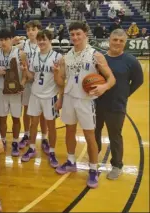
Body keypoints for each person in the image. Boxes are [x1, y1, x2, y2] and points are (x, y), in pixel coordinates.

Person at [53, 21, 116, 188]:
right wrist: (57, 75)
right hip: (69, 98)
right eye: (72, 34)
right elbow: (61, 81)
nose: (75, 37)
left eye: (78, 34)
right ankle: (71, 161)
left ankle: (93, 169)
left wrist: (103, 87)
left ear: (85, 34)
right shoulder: (66, 57)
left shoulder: (96, 55)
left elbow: (111, 79)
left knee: (90, 136)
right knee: (69, 131)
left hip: (86, 101)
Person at [95, 29, 143, 180]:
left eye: (121, 41)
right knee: (94, 132)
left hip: (117, 105)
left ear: (125, 43)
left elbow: (138, 81)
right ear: (109, 40)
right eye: (115, 39)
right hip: (96, 103)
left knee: (114, 136)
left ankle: (117, 165)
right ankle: (94, 159)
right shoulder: (100, 58)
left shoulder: (131, 61)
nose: (117, 43)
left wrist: (125, 94)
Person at [22, 29, 62, 168]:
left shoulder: (57, 57)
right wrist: (25, 70)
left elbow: (62, 81)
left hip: (50, 96)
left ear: (50, 40)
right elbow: (32, 77)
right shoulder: (34, 57)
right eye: (39, 40)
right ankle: (32, 147)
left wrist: (60, 98)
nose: (41, 42)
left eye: (44, 39)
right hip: (35, 94)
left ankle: (52, 151)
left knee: (51, 126)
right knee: (34, 124)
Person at [17, 20, 50, 151]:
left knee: (41, 113)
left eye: (33, 29)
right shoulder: (22, 46)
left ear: (39, 31)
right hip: (28, 81)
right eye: (28, 30)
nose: (31, 32)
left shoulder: (43, 44)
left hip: (41, 83)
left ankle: (44, 137)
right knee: (26, 110)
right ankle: (26, 134)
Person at [0, 29, 28, 156]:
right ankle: (2, 140)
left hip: (15, 92)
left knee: (16, 118)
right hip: (1, 89)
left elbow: (25, 74)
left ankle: (15, 142)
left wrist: (22, 85)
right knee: (2, 118)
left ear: (11, 40)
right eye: (1, 40)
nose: (3, 42)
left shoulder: (20, 53)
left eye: (6, 39)